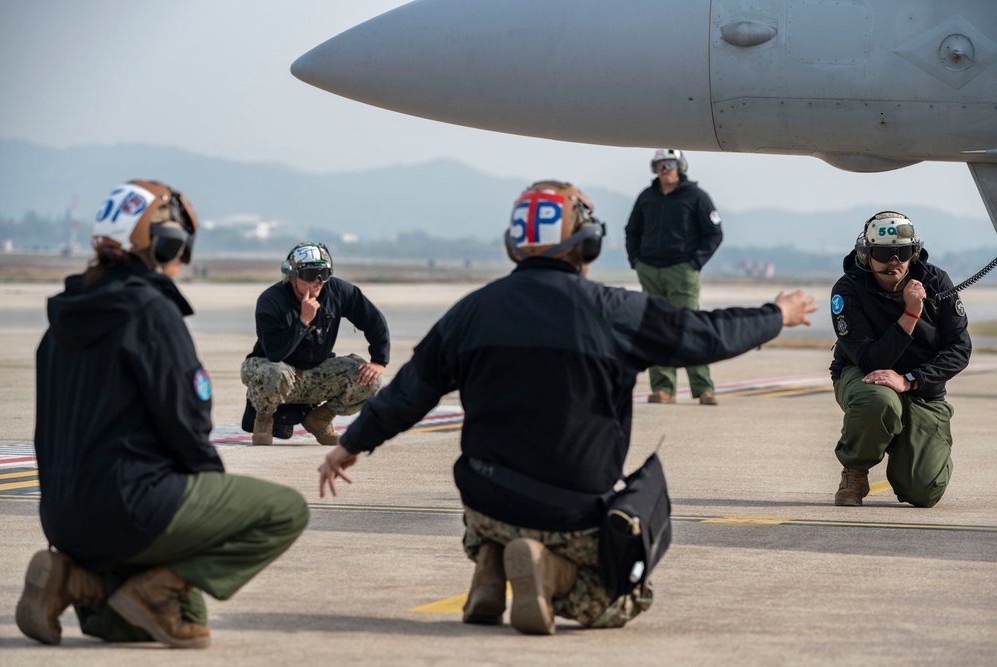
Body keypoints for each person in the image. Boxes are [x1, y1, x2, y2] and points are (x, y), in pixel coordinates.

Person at [317, 180, 817, 635]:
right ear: (587, 244)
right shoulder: (616, 311)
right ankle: (547, 571)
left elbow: (407, 393)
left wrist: (352, 444)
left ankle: (490, 561)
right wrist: (778, 314)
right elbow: (708, 337)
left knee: (492, 502)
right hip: (569, 512)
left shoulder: (472, 310)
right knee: (621, 601)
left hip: (485, 501)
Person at [16, 180, 309, 649]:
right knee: (284, 512)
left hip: (62, 517)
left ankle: (75, 581)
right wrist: (210, 503)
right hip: (133, 506)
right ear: (166, 243)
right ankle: (138, 587)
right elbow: (189, 424)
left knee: (175, 621)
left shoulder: (62, 323)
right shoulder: (151, 312)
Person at [829, 211, 971, 507]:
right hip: (865, 377)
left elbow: (959, 348)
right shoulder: (848, 290)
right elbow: (869, 360)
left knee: (924, 491)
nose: (894, 262)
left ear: (914, 254)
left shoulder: (936, 281)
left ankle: (901, 438)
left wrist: (910, 380)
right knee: (879, 401)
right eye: (883, 253)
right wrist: (910, 314)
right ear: (866, 255)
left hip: (920, 387)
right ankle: (855, 470)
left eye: (902, 252)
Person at [240, 241, 389, 445]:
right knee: (274, 371)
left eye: (324, 274)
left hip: (314, 371)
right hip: (275, 370)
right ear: (293, 276)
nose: (318, 281)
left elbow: (372, 319)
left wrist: (379, 360)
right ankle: (264, 419)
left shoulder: (337, 291)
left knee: (370, 380)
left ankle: (320, 419)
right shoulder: (271, 300)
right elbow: (275, 353)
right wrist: (303, 321)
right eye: (311, 275)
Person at [625, 149, 724, 405]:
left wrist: (694, 263)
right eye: (658, 165)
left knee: (689, 326)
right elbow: (632, 230)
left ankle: (703, 388)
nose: (664, 169)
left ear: (680, 166)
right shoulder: (646, 197)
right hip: (649, 270)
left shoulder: (697, 197)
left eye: (668, 164)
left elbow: (714, 233)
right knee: (656, 327)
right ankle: (663, 389)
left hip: (682, 271)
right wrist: (636, 261)